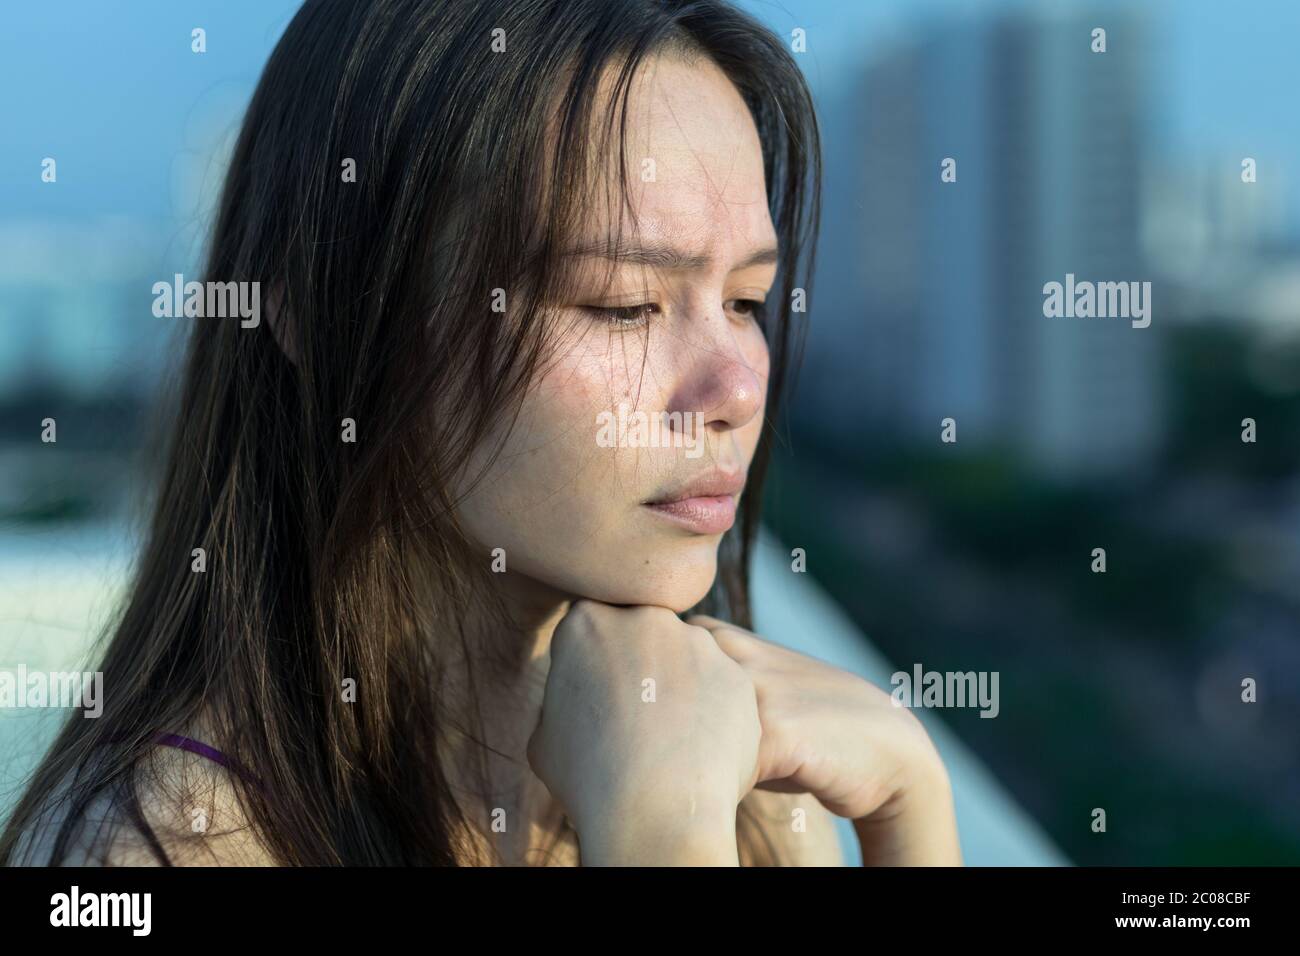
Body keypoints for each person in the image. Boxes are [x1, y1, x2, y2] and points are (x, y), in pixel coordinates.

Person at [1, 0, 961, 866]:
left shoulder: (750, 788)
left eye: (747, 298)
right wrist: (661, 839)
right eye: (622, 304)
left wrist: (911, 807)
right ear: (328, 315)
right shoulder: (169, 851)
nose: (738, 386)